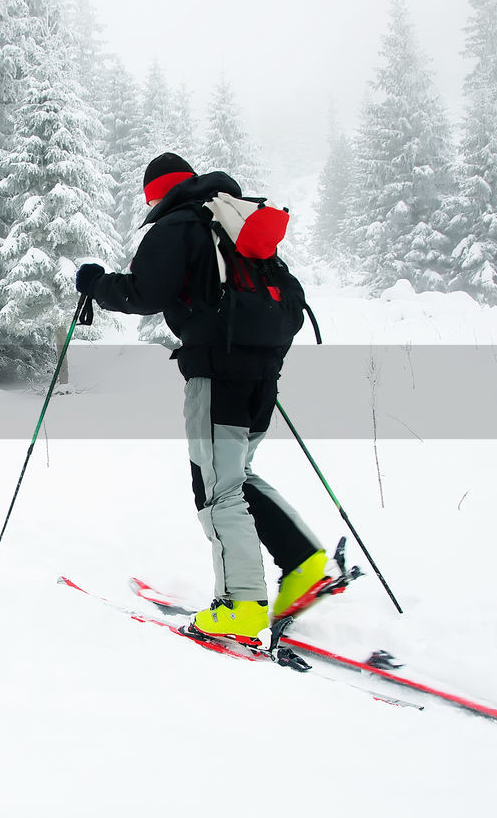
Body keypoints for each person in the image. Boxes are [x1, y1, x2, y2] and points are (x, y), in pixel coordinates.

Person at [75, 153, 330, 645]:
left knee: (216, 490)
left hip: (218, 373)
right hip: (262, 372)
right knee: (234, 477)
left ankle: (240, 606)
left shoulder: (178, 224)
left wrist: (95, 284)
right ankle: (304, 565)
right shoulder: (231, 219)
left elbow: (145, 293)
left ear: (156, 193)